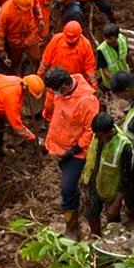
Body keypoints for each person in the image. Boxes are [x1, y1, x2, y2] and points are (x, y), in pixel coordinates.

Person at [42, 67, 99, 239]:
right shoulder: (62, 89)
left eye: (56, 91)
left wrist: (74, 149)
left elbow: (91, 130)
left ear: (65, 87)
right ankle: (75, 200)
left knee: (66, 189)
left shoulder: (86, 101)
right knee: (70, 187)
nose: (54, 94)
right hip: (59, 147)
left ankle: (72, 226)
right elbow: (53, 110)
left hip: (75, 153)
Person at [80, 112, 134, 236]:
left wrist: (116, 203)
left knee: (112, 219)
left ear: (108, 132)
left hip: (111, 191)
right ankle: (96, 237)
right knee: (90, 213)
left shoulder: (124, 146)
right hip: (93, 183)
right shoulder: (98, 136)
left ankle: (112, 242)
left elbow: (126, 178)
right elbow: (92, 158)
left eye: (99, 136)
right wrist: (84, 177)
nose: (96, 138)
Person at [0, 74, 46, 150]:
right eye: (31, 94)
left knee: (2, 120)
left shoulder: (18, 81)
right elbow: (17, 126)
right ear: (25, 87)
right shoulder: (12, 98)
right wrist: (33, 138)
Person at [0, 0, 47, 74]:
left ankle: (35, 69)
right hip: (15, 41)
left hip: (31, 35)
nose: (27, 10)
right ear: (16, 5)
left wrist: (40, 18)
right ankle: (15, 71)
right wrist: (1, 50)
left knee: (36, 55)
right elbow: (1, 33)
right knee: (14, 60)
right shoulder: (6, 12)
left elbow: (37, 6)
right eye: (25, 9)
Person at [39, 21, 97, 85]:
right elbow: (46, 59)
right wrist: (40, 73)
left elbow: (89, 67)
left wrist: (93, 83)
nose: (70, 42)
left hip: (74, 81)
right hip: (56, 78)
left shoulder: (86, 45)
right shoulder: (56, 39)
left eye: (72, 41)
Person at [95, 23, 133, 89]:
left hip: (125, 74)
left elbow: (127, 55)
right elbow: (104, 69)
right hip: (112, 82)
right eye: (105, 38)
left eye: (110, 38)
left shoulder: (123, 40)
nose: (107, 41)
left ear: (117, 37)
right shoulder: (101, 50)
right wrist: (115, 81)